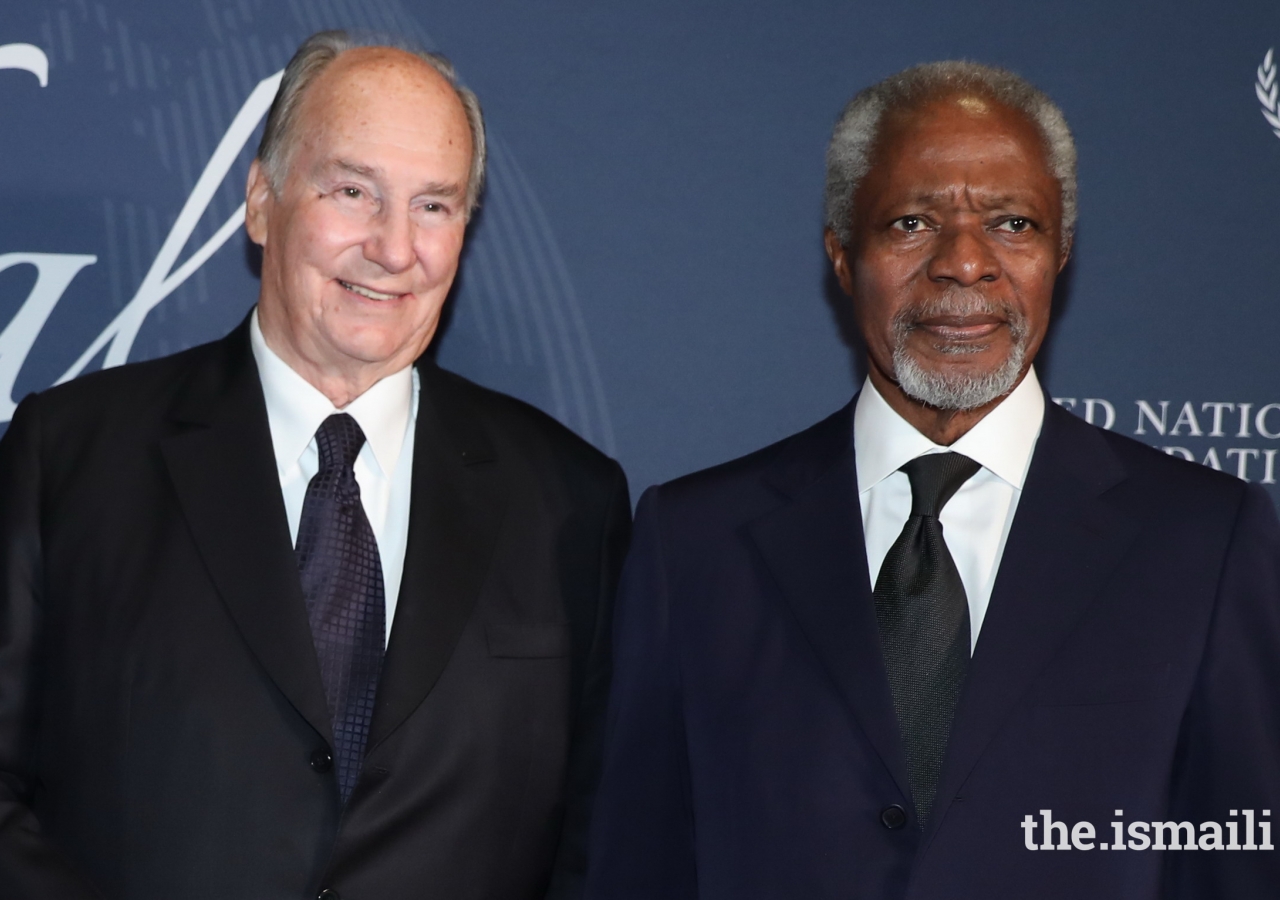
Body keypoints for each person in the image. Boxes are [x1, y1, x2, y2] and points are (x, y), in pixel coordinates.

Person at [585, 61, 1280, 898]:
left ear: (1061, 254)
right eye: (912, 222)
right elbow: (638, 861)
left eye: (1013, 223)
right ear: (843, 257)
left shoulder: (1203, 540)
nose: (964, 263)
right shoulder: (692, 541)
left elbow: (1243, 861)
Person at [0, 30, 629, 900]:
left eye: (435, 206)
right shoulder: (68, 455)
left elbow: (603, 832)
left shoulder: (571, 501)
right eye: (352, 191)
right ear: (262, 201)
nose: (394, 247)